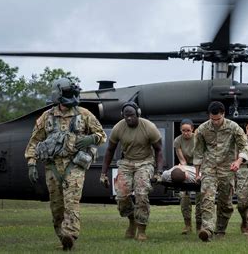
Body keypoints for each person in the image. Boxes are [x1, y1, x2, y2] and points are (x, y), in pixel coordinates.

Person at [25, 78, 107, 251]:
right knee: (57, 206)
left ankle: (70, 234)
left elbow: (101, 134)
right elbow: (34, 141)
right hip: (52, 167)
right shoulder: (46, 118)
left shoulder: (84, 114)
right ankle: (62, 237)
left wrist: (90, 138)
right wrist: (32, 163)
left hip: (74, 165)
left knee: (71, 202)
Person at [100, 101, 163, 241]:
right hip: (126, 162)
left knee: (141, 193)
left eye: (132, 115)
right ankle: (132, 221)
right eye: (126, 116)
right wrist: (103, 173)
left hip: (145, 162)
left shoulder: (149, 127)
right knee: (121, 196)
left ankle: (141, 229)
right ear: (123, 115)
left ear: (138, 114)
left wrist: (158, 172)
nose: (129, 118)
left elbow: (159, 150)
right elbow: (110, 150)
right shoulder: (119, 128)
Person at [193, 101, 248, 242]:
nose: (216, 122)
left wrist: (238, 161)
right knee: (207, 199)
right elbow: (198, 152)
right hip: (209, 169)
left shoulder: (233, 127)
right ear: (209, 116)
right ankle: (207, 230)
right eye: (213, 119)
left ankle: (221, 230)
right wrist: (197, 172)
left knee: (225, 203)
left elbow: (244, 146)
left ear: (223, 114)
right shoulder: (202, 129)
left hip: (227, 169)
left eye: (218, 119)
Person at [173, 118, 202, 235]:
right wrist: (184, 169)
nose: (186, 133)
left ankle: (199, 225)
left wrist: (196, 174)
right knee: (184, 196)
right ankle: (187, 224)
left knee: (200, 196)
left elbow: (200, 156)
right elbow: (181, 159)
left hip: (199, 165)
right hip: (186, 166)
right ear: (180, 130)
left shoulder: (198, 139)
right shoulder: (177, 141)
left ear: (192, 129)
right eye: (183, 130)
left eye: (188, 130)